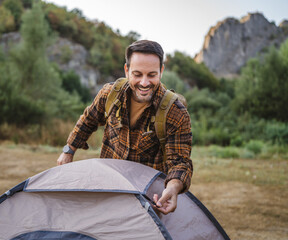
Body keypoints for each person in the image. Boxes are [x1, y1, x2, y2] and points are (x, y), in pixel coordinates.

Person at [57, 40, 193, 215]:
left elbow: (180, 162)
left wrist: (173, 188)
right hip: (107, 188)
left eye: (152, 75)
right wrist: (69, 150)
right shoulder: (110, 94)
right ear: (127, 70)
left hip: (148, 200)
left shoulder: (176, 112)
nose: (144, 83)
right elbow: (88, 120)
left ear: (161, 71)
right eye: (137, 74)